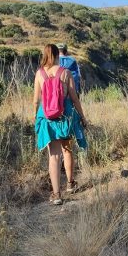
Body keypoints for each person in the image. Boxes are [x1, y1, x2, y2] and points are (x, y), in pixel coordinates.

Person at [34, 44, 88, 205]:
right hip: (65, 116)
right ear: (58, 55)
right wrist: (82, 116)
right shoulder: (65, 72)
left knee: (54, 156)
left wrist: (36, 117)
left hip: (47, 118)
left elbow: (36, 100)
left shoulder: (39, 73)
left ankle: (56, 194)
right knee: (67, 149)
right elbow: (74, 98)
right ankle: (70, 184)